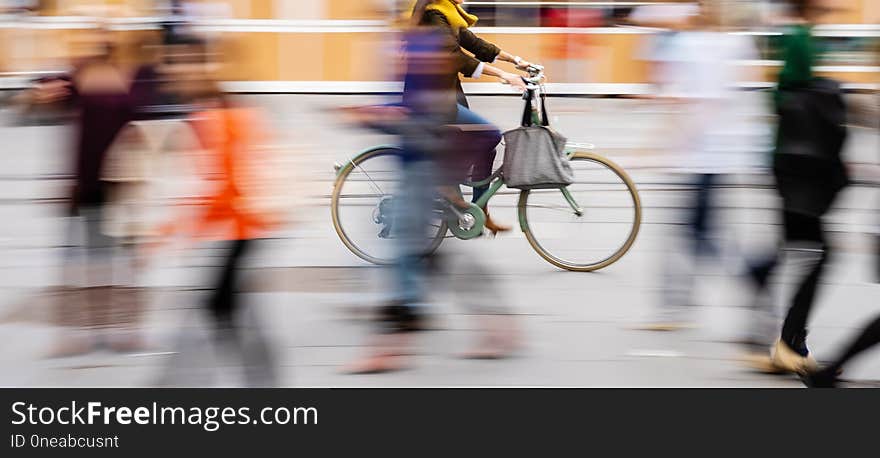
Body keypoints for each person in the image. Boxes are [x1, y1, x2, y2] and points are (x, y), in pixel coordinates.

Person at [633, 1, 762, 331]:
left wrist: (661, 143)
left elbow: (696, 103)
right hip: (716, 155)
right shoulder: (734, 42)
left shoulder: (699, 44)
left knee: (696, 234)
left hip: (702, 155)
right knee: (694, 233)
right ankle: (677, 306)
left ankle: (750, 279)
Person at [743, 0, 849, 374]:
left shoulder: (799, 35)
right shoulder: (800, 38)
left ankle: (780, 336)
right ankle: (790, 343)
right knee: (823, 254)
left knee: (792, 246)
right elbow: (788, 98)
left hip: (790, 164)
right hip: (798, 168)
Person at [408, 0, 536, 234]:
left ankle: (478, 208)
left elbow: (477, 45)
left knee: (484, 143)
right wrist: (503, 76)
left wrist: (518, 62)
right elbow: (456, 57)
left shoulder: (448, 14)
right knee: (489, 135)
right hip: (431, 100)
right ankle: (447, 183)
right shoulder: (434, 15)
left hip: (445, 96)